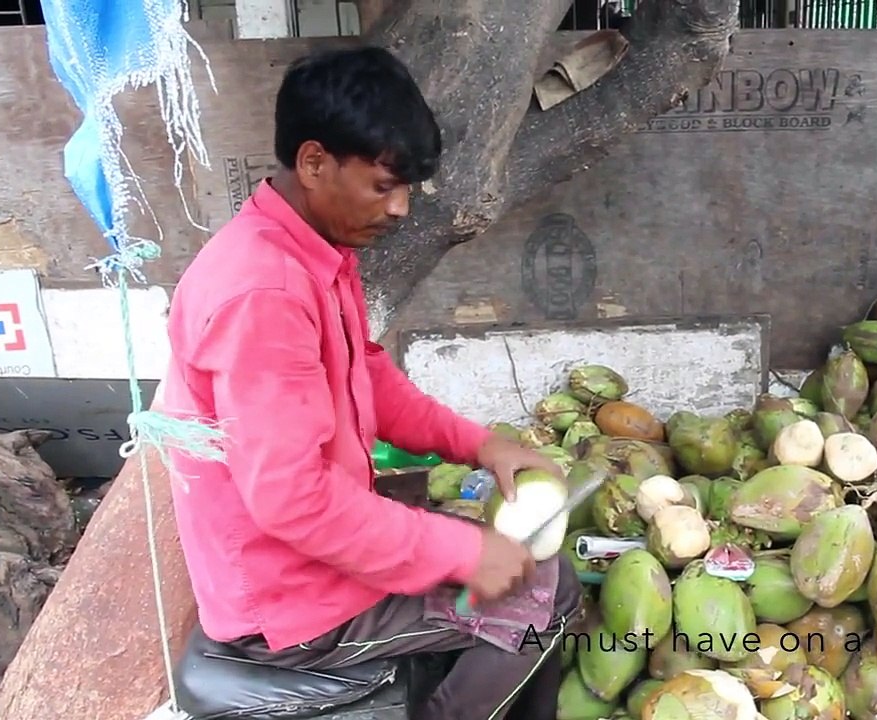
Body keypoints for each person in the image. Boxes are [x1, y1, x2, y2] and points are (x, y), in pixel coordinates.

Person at [160, 45, 581, 720]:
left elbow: (370, 379)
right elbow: (292, 500)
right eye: (384, 186)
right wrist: (464, 547)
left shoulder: (311, 249)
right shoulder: (263, 292)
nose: (400, 209)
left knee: (506, 561)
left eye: (405, 188)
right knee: (543, 594)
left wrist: (482, 445)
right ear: (315, 162)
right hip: (290, 602)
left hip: (301, 558)